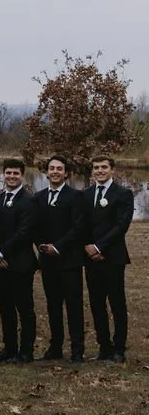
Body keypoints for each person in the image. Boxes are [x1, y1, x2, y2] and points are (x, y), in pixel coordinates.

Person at [32, 155, 86, 362]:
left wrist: (59, 247)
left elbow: (78, 227)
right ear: (46, 172)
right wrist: (42, 246)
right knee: (53, 306)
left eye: (59, 168)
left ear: (66, 173)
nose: (55, 171)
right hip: (48, 261)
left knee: (73, 306)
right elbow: (34, 227)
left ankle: (77, 350)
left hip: (69, 260)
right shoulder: (38, 197)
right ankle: (55, 347)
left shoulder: (75, 197)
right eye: (51, 168)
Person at [83, 155, 134, 363]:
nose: (100, 171)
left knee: (117, 303)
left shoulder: (123, 194)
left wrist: (99, 247)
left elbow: (121, 225)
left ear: (112, 169)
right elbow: (82, 224)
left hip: (113, 257)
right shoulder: (85, 195)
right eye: (96, 167)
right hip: (91, 258)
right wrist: (88, 248)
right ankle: (104, 347)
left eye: (104, 167)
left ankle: (119, 349)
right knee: (96, 303)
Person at [0, 158, 37, 363]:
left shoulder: (29, 200)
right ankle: (9, 348)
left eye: (15, 173)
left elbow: (24, 232)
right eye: (8, 173)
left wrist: (1, 252)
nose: (11, 176)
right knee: (5, 308)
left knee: (24, 308)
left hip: (21, 263)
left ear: (22, 176)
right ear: (3, 174)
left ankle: (26, 351)